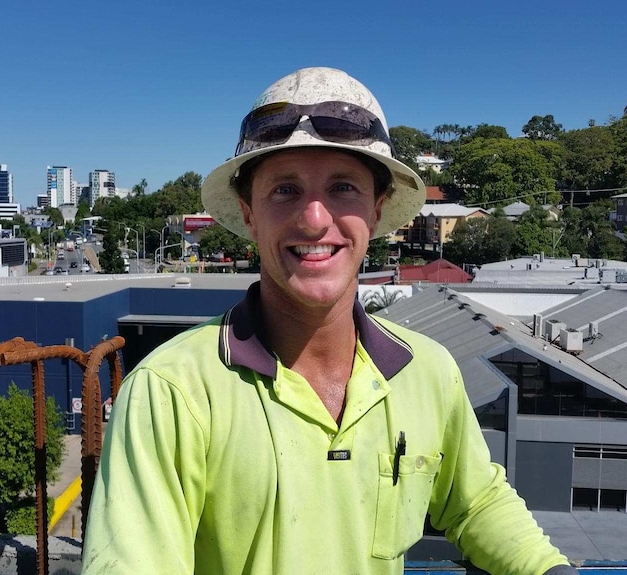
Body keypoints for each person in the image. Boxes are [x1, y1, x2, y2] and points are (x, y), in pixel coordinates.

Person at [81, 68, 577, 575]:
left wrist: (547, 568)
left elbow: (476, 502)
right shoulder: (172, 392)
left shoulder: (427, 373)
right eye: (284, 191)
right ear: (249, 213)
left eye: (343, 187)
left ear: (376, 211)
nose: (315, 219)